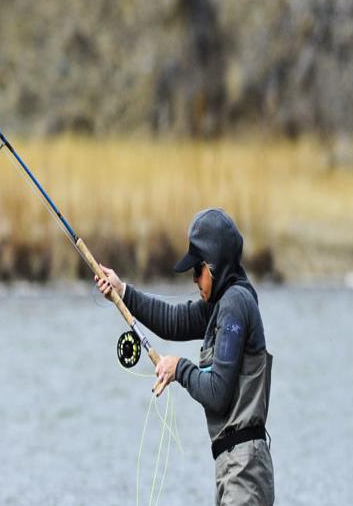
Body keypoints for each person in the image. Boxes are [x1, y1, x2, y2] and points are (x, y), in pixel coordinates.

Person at [96, 207, 275, 505]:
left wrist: (179, 367)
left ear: (215, 266)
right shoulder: (223, 304)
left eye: (197, 270)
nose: (194, 279)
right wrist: (123, 291)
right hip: (234, 464)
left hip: (244, 468)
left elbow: (217, 393)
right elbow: (173, 320)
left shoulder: (234, 305)